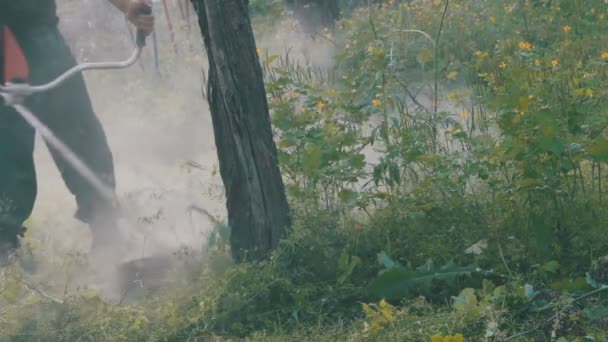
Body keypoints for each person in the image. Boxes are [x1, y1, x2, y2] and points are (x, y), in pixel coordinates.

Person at [0, 0, 154, 269]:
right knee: (7, 150)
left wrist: (127, 4)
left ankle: (107, 233)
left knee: (80, 131)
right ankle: (4, 250)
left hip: (39, 32)